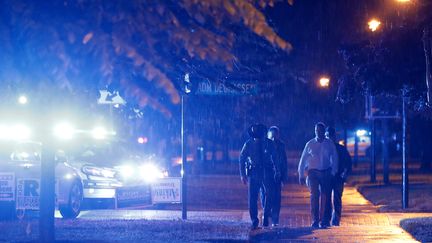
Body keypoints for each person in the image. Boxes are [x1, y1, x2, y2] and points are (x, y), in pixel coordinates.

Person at [298, 122, 338, 228]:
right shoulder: (310, 144)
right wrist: (301, 174)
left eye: (320, 130)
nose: (318, 133)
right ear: (315, 131)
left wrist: (333, 171)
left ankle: (324, 220)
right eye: (316, 131)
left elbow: (334, 158)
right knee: (314, 196)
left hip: (326, 172)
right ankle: (315, 220)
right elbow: (303, 160)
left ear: (324, 131)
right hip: (313, 173)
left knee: (326, 196)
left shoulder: (329, 143)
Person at [239, 124, 277, 230]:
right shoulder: (249, 144)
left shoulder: (268, 143)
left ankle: (265, 215)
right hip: (254, 171)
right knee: (253, 197)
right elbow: (242, 158)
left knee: (269, 194)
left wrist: (277, 170)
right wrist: (242, 174)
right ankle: (255, 220)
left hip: (266, 171)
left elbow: (275, 157)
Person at [260, 126, 288, 227]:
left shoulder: (281, 145)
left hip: (277, 174)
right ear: (268, 136)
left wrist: (284, 176)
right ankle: (266, 214)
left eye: (276, 137)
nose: (274, 139)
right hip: (266, 173)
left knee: (277, 196)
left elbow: (284, 161)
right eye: (272, 137)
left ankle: (275, 219)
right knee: (265, 194)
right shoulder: (264, 144)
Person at [325, 126, 352, 226]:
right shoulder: (323, 149)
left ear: (333, 137)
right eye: (326, 136)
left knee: (337, 199)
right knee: (326, 198)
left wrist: (344, 174)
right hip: (327, 178)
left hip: (338, 178)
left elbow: (348, 163)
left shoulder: (341, 149)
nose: (328, 138)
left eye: (330, 136)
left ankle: (335, 220)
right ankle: (326, 219)